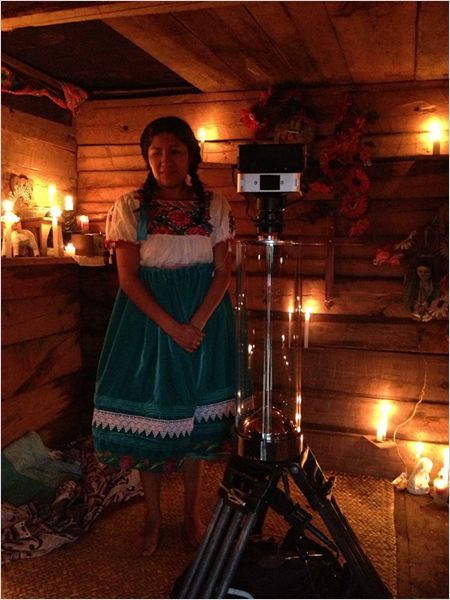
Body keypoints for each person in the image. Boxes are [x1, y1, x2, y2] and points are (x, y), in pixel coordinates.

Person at [92, 116, 237, 557]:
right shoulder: (131, 207)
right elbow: (129, 279)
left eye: (175, 151)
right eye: (156, 152)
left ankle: (191, 512)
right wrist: (174, 327)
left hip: (204, 322)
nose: (165, 160)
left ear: (191, 156)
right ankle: (152, 516)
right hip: (148, 324)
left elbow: (223, 271)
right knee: (152, 417)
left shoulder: (213, 206)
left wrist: (197, 325)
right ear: (146, 157)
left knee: (194, 415)